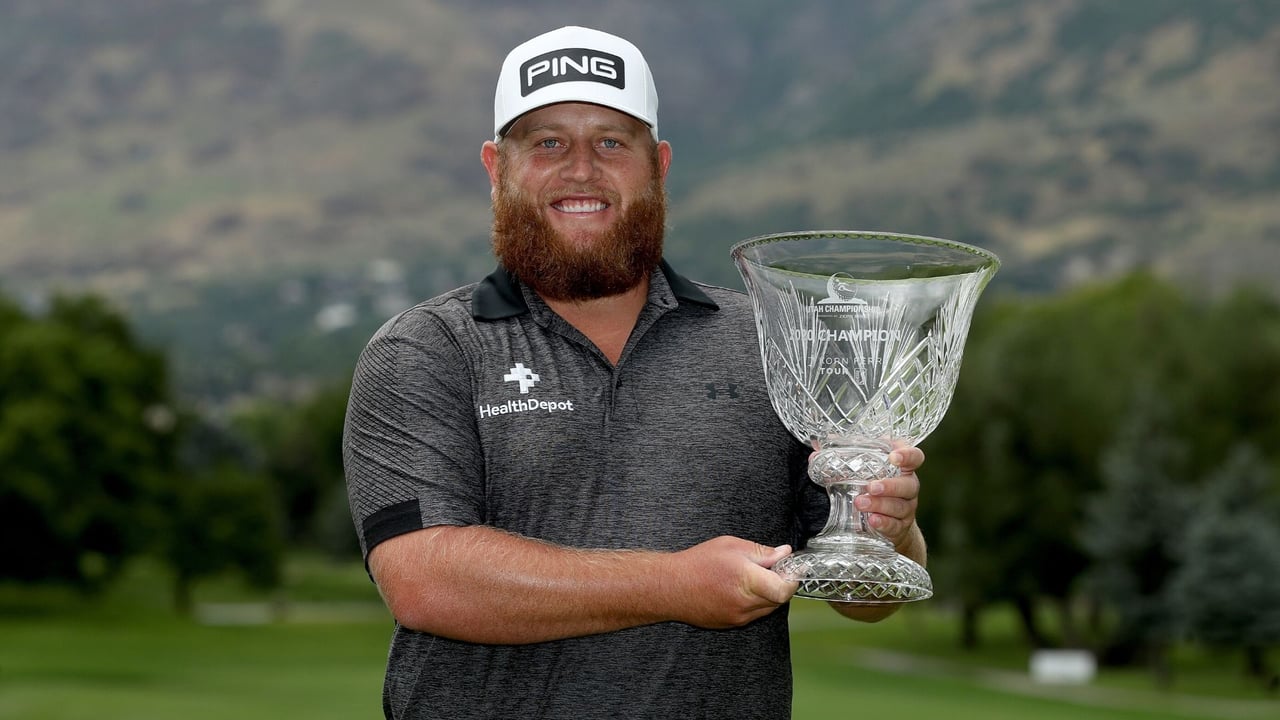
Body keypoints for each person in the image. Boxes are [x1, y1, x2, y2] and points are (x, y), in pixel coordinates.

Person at [343, 25, 928, 720]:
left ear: (660, 165)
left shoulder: (773, 343)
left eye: (612, 142)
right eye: (548, 142)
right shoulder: (426, 349)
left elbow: (865, 601)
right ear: (496, 167)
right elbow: (424, 581)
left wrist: (890, 532)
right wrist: (673, 585)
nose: (581, 169)